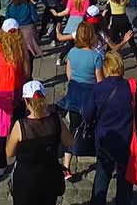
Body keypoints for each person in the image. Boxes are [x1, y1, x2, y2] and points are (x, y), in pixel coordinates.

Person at [85, 51, 137, 205]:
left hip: (105, 139)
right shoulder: (131, 87)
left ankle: (98, 201)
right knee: (125, 178)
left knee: (102, 174)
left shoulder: (98, 88)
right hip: (127, 140)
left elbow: (87, 114)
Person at [5, 80, 73, 205]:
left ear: (26, 101)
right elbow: (69, 142)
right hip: (49, 177)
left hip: (26, 181)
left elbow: (9, 153)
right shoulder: (56, 120)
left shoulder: (21, 126)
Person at [60, 21, 104, 179]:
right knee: (96, 128)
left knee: (73, 129)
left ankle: (66, 166)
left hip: (74, 95)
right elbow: (100, 81)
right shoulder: (96, 56)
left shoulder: (72, 52)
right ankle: (101, 159)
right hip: (90, 96)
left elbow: (69, 75)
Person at [0, 18, 29, 176]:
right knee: (18, 125)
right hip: (17, 91)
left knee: (0, 130)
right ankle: (19, 158)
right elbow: (26, 73)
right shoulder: (22, 50)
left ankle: (1, 164)